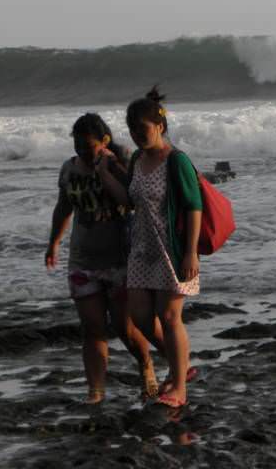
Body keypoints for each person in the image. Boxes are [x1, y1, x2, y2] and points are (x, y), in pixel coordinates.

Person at [45, 113, 162, 404]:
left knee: (125, 328)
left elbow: (133, 198)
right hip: (83, 260)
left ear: (104, 141)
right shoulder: (68, 170)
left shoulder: (121, 158)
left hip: (120, 259)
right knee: (92, 328)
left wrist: (107, 169)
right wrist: (54, 243)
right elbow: (63, 208)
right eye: (78, 146)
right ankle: (95, 392)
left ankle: (146, 364)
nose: (83, 152)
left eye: (89, 146)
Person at [99, 86, 202, 408]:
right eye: (131, 131)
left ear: (159, 126)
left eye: (141, 129)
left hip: (172, 250)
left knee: (170, 318)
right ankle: (180, 368)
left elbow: (193, 205)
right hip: (142, 250)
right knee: (142, 318)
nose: (137, 136)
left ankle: (179, 389)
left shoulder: (177, 161)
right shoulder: (139, 160)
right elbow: (130, 202)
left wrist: (190, 252)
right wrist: (104, 173)